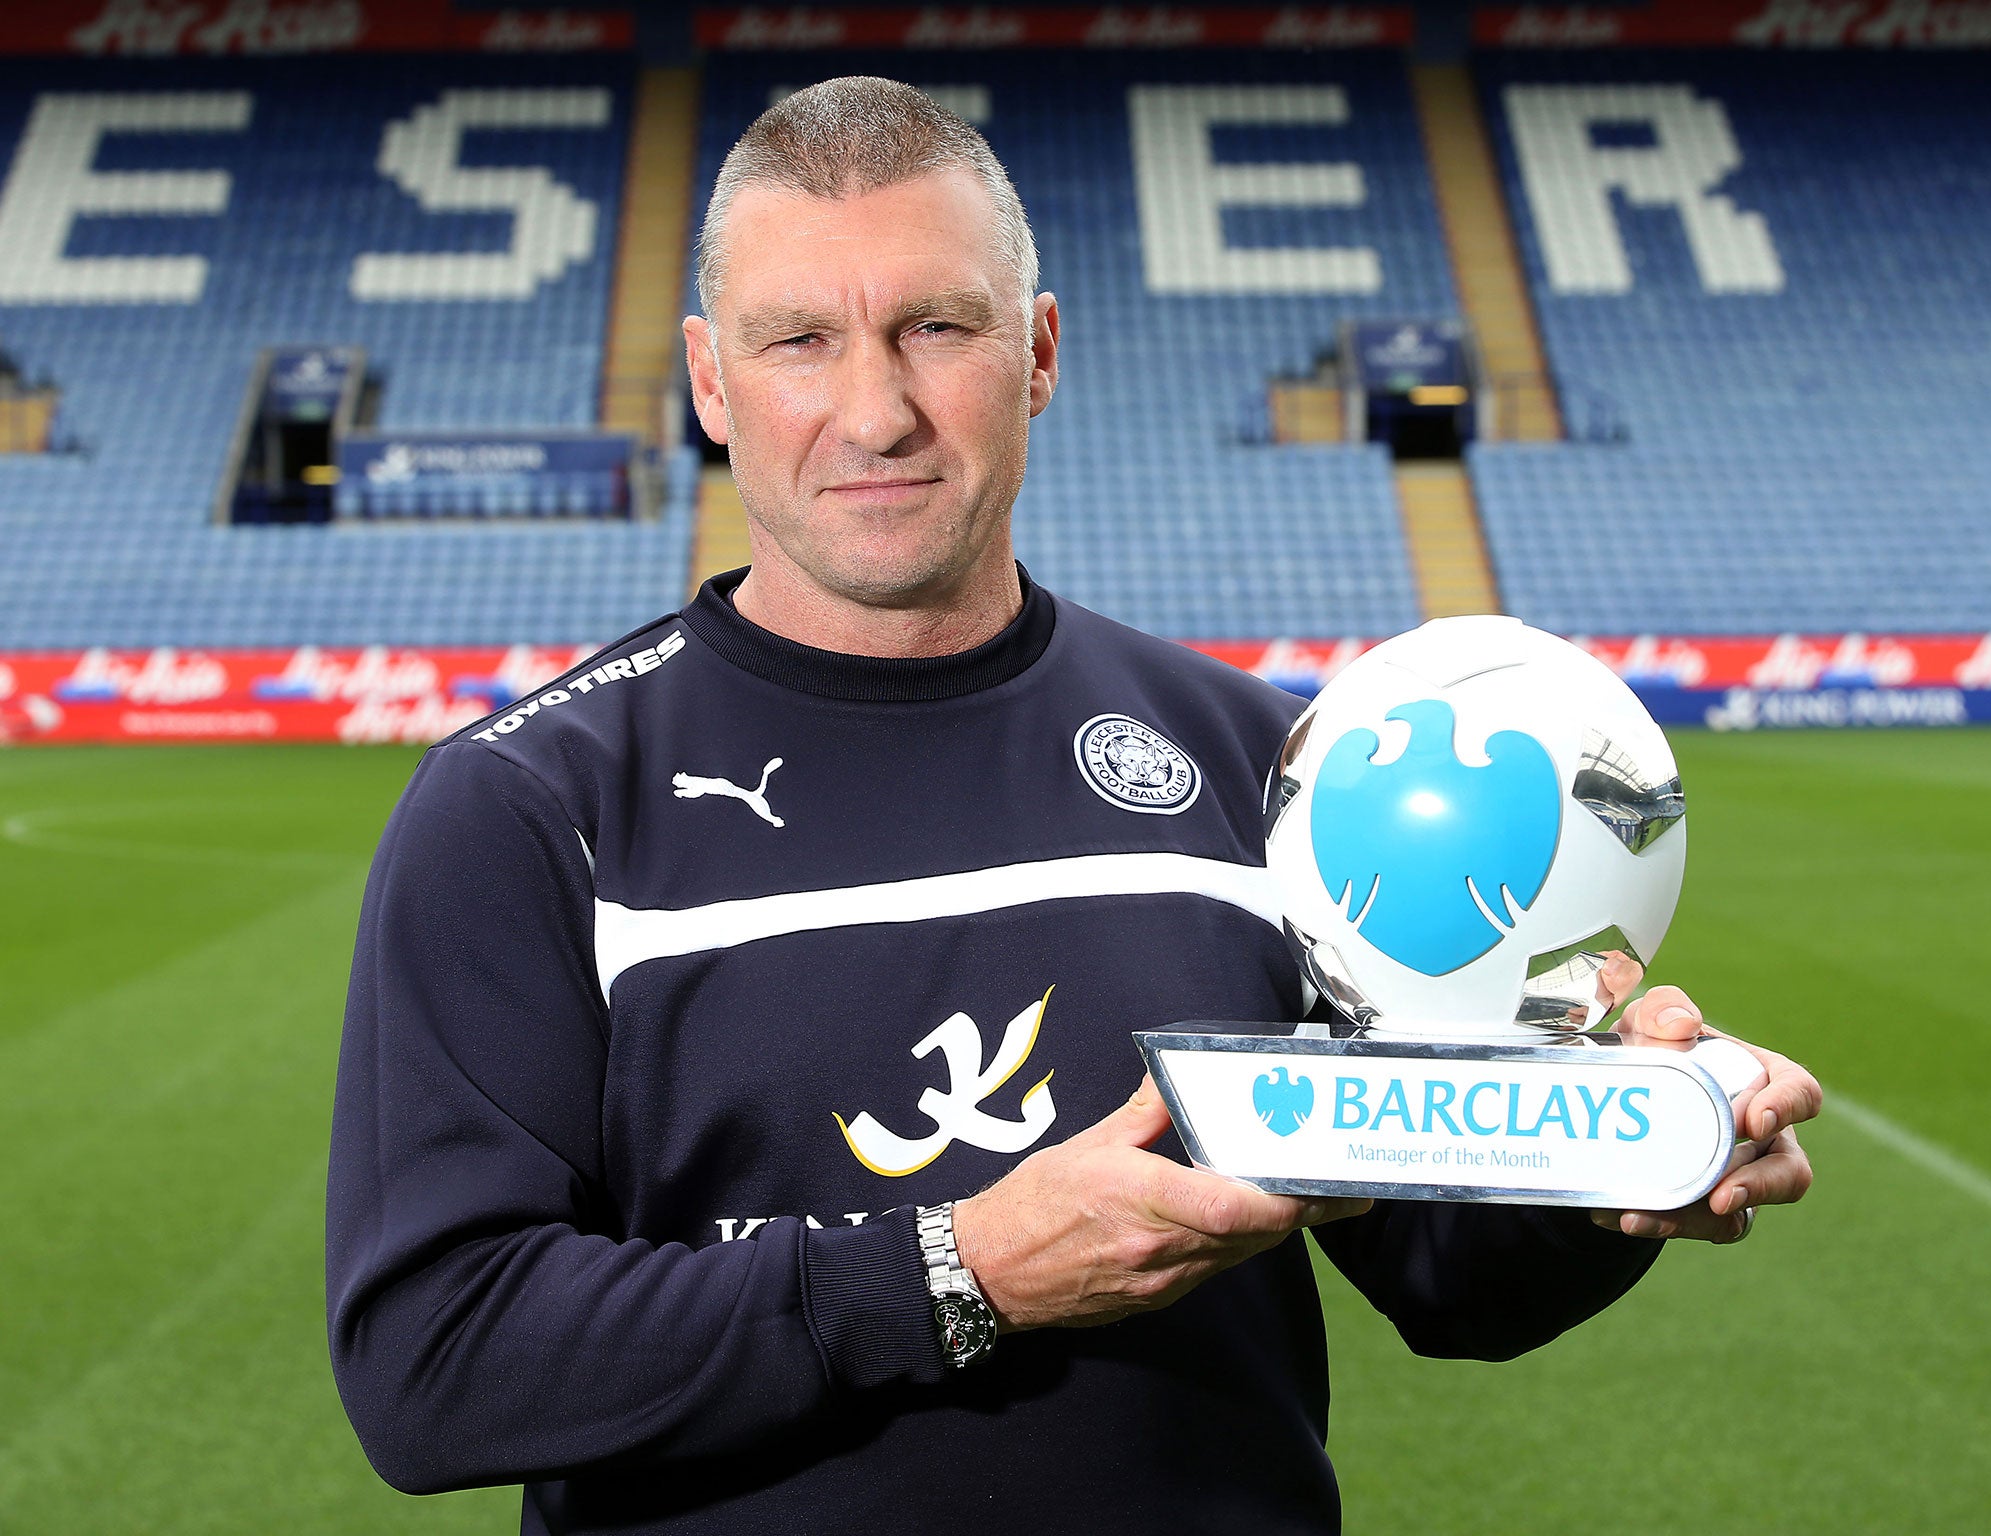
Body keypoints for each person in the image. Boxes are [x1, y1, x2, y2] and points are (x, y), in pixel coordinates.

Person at [326, 77, 1819, 1535]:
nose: (876, 411)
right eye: (800, 341)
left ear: (1037, 350)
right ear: (712, 382)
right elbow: (436, 1365)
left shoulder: (1262, 768)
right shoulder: (529, 803)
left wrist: (1617, 1165)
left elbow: (1446, 1275)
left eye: (936, 327)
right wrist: (955, 1273)